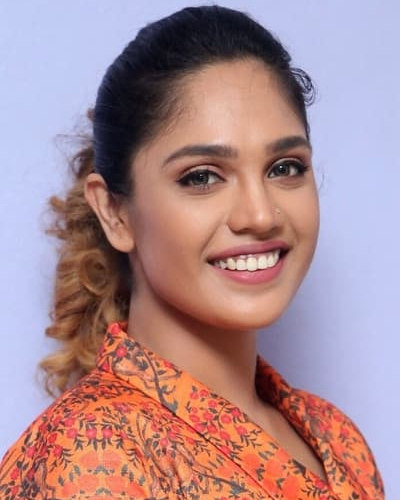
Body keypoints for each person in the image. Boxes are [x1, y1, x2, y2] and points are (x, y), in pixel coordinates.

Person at [0, 5, 384, 500]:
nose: (260, 214)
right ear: (115, 213)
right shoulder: (97, 455)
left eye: (285, 167)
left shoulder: (336, 438)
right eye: (202, 177)